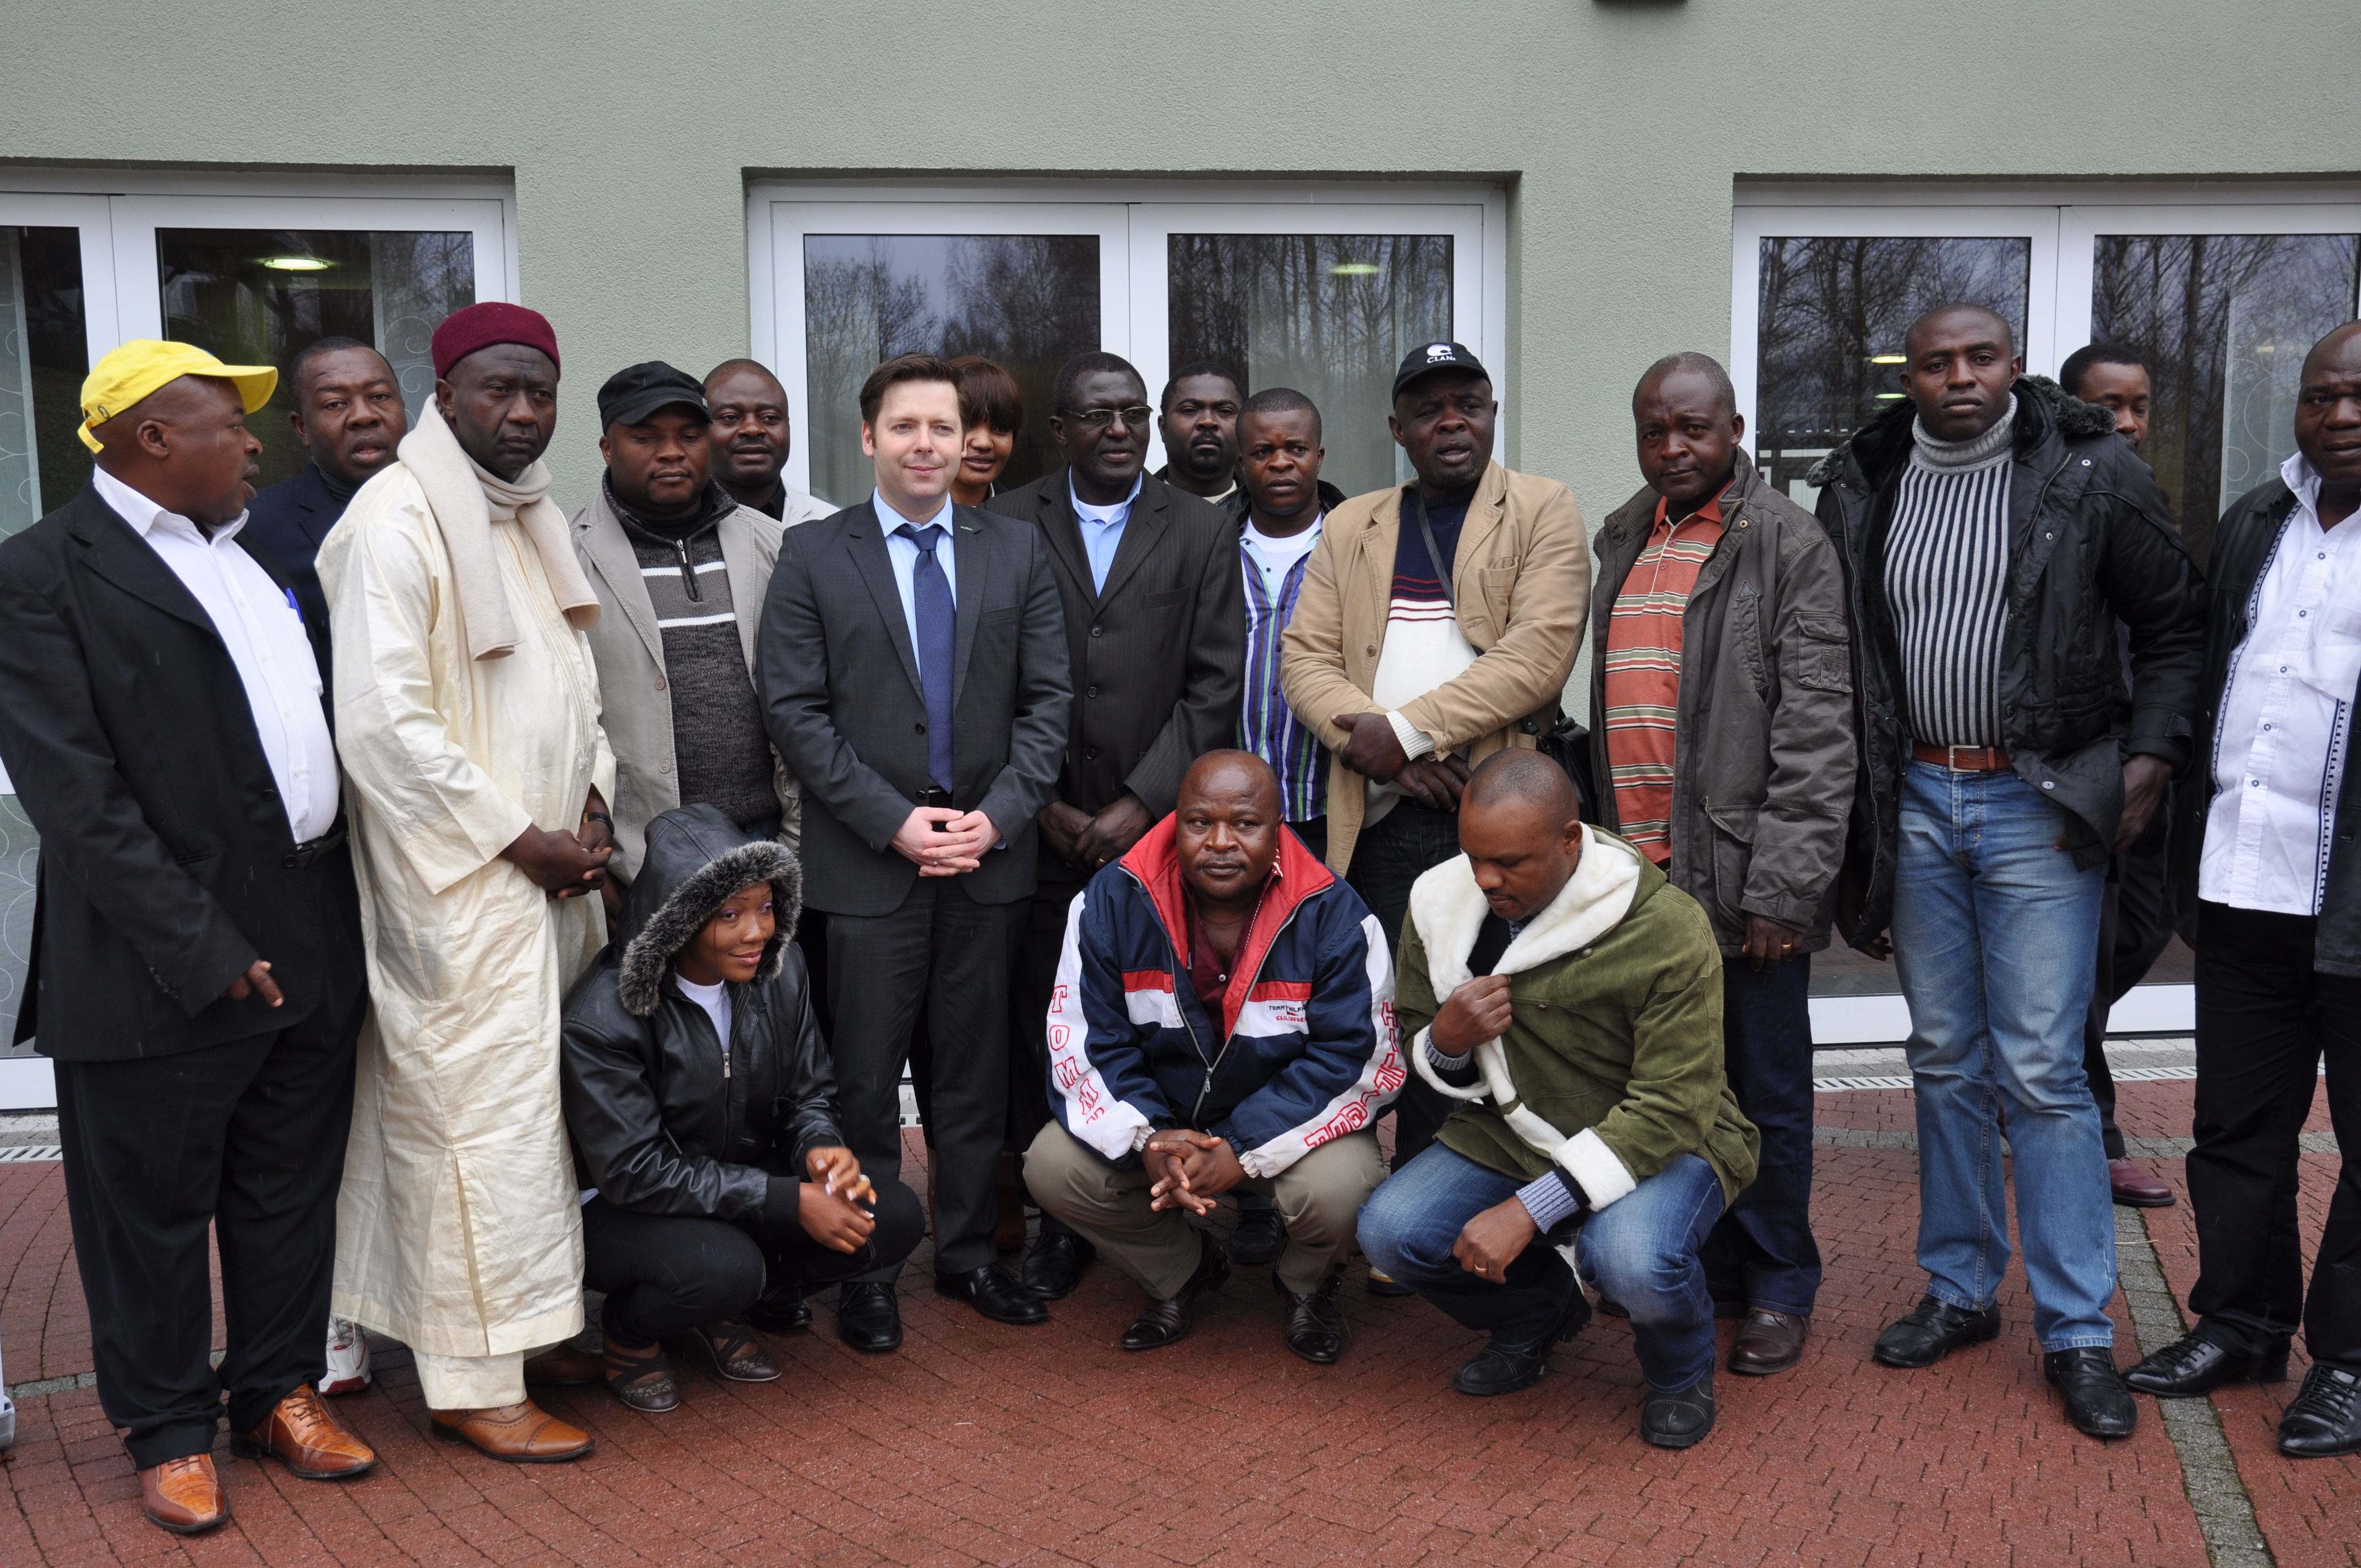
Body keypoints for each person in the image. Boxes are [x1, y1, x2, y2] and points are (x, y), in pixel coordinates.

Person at [0, 340, 376, 1534]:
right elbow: (76, 797)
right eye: (229, 421)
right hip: (159, 960)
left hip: (309, 924)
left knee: (286, 1188)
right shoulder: (40, 573)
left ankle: (275, 1388)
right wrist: (201, 942)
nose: (254, 441)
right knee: (150, 1212)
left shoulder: (249, 555)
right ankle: (166, 1429)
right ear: (152, 438)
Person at [1811, 302, 2205, 1441]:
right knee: (1941, 1055)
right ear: (1909, 375)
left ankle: (2076, 1326)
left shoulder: (2088, 469)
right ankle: (1958, 1285)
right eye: (1934, 362)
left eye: (1978, 358)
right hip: (1917, 799)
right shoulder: (1867, 477)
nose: (1958, 378)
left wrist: (2147, 759)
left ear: (2013, 366)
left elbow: (2174, 624)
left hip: (2039, 800)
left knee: (2040, 1068)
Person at [320, 302, 617, 1464]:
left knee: (539, 1124)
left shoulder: (525, 510)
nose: (523, 412)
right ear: (443, 395)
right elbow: (382, 725)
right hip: (462, 890)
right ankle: (472, 1381)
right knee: (473, 1130)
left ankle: (532, 1329)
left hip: (549, 877)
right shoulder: (395, 518)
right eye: (499, 389)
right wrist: (516, 836)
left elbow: (574, 687)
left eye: (540, 391)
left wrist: (590, 804)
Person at [761, 352, 1071, 1343]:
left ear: (965, 439)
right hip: (868, 865)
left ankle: (970, 1257)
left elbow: (1048, 704)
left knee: (972, 1077)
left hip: (986, 860)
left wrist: (1001, 815)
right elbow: (794, 712)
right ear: (868, 438)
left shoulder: (1015, 550)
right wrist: (892, 819)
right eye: (905, 427)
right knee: (862, 1083)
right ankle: (868, 1269)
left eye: (944, 427)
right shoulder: (813, 555)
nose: (927, 445)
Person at [1356, 751, 1758, 1447]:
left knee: (1628, 1257)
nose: (1485, 879)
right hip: (1515, 1128)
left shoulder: (1666, 926)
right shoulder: (1438, 900)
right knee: (1391, 1231)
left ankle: (1678, 1370)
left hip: (1667, 1139)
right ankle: (1536, 1312)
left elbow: (1670, 1105)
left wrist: (1528, 1210)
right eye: (1473, 856)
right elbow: (1419, 1034)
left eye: (1509, 861)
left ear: (1570, 840)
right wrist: (1446, 1039)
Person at [1584, 352, 1853, 1377]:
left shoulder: (1787, 542)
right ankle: (1708, 1269)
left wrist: (1784, 887)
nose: (1672, 448)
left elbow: (1818, 733)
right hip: (1639, 881)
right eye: (1654, 430)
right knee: (1670, 1083)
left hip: (1743, 878)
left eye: (1692, 428)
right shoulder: (1624, 534)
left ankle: (1780, 1282)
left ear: (1734, 430)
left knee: (1765, 1089)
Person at [2127, 320, 2361, 1458]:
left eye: (2358, 396)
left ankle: (2349, 1360)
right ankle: (2240, 1324)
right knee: (2234, 1129)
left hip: (2352, 898)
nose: (2338, 415)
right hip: (2242, 884)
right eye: (2319, 395)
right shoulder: (2254, 520)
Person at [1281, 340, 1588, 1180]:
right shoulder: (1353, 524)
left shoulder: (1544, 508)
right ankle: (1404, 1200)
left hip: (1499, 819)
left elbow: (1539, 655)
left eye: (1468, 405)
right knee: (1401, 1013)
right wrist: (1387, 756)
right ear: (1398, 429)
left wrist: (1409, 731)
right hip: (1382, 820)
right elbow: (1304, 659)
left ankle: (1511, 1196)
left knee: (1506, 1009)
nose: (1452, 422)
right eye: (1429, 410)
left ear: (1492, 415)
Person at [988, 351, 1245, 1300]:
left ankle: (1167, 1196)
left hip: (1154, 835)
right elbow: (987, 678)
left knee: (1150, 1020)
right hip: (1039, 825)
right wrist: (1040, 801)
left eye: (1133, 413)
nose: (1119, 430)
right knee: (1042, 1028)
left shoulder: (1199, 527)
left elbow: (1214, 681)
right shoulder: (1008, 519)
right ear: (1060, 429)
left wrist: (1143, 802)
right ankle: (1061, 1220)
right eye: (1097, 416)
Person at [1028, 752, 1399, 1358]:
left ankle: (1305, 1285)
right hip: (1165, 1122)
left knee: (1342, 1187)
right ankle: (1183, 1270)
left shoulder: (1333, 913)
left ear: (1278, 828)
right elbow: (1085, 1040)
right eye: (1200, 822)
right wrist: (1150, 1138)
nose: (1220, 842)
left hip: (1279, 1127)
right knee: (1052, 1166)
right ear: (1175, 822)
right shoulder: (1112, 900)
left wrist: (1240, 1148)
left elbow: (1358, 1061)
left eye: (1245, 824)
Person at [560, 805, 924, 1405]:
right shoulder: (604, 1018)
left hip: (735, 1177)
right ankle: (631, 1330)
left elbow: (809, 1093)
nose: (756, 932)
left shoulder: (781, 971)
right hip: (623, 1206)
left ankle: (727, 1305)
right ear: (679, 917)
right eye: (730, 914)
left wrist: (819, 1149)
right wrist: (787, 1199)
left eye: (766, 906)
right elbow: (634, 1173)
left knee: (892, 1217)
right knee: (725, 1267)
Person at [573, 361, 799, 888]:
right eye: (646, 437)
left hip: (768, 837)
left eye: (690, 436)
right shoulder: (567, 558)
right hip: (643, 854)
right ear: (607, 448)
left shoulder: (774, 544)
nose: (672, 452)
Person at [2057, 342, 2179, 1209]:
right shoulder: (2055, 507)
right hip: (2082, 775)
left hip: (2154, 765)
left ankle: (2027, 1068)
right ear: (2073, 410)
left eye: (2139, 407)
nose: (2127, 423)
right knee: (2084, 966)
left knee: (2144, 930)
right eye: (2108, 407)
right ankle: (2094, 1136)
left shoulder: (2146, 502)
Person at [243, 337, 409, 606]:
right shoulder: (255, 528)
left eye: (379, 397)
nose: (364, 416)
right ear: (302, 428)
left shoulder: (452, 503)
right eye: (335, 404)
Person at [704, 358, 833, 525]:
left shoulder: (833, 525)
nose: (752, 429)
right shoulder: (675, 529)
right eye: (730, 417)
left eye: (770, 418)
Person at [1153, 360, 1244, 515]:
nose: (1208, 421)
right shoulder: (1129, 510)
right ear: (1163, 428)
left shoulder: (1270, 515)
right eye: (1190, 410)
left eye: (1225, 411)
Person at [949, 355, 1023, 507]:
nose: (983, 443)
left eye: (1000, 429)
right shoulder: (902, 513)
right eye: (967, 425)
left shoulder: (1024, 516)